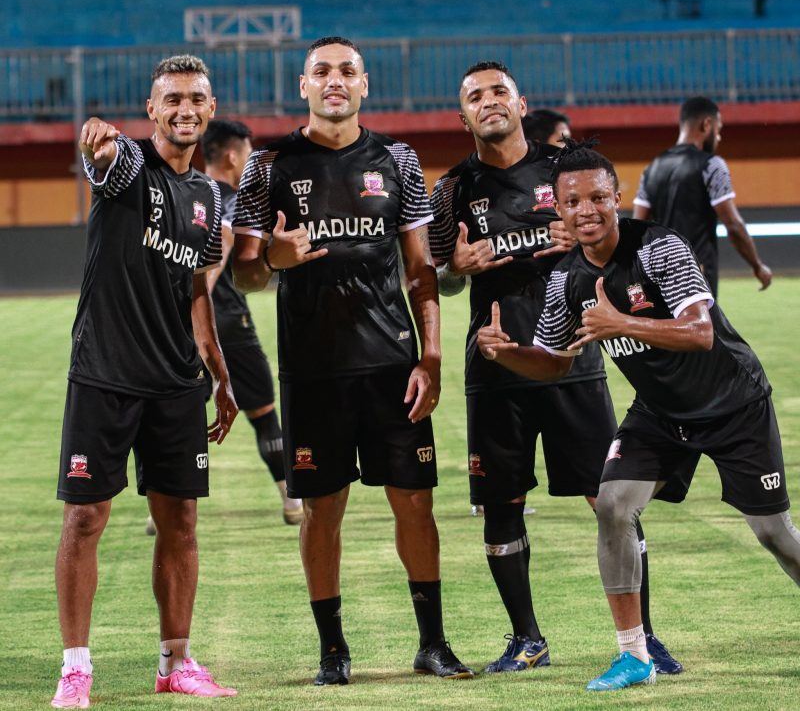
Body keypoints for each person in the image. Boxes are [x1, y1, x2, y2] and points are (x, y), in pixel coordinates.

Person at [477, 139, 800, 692]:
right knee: (612, 506)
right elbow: (554, 363)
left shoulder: (658, 248)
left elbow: (700, 333)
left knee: (773, 533)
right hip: (661, 414)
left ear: (617, 197)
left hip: (734, 406)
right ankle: (635, 655)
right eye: (573, 201)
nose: (586, 211)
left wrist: (620, 324)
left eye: (598, 198)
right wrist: (506, 352)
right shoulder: (567, 280)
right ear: (558, 206)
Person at [429, 61, 684, 676]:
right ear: (461, 116)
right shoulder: (451, 190)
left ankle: (642, 639)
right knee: (501, 504)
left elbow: (616, 239)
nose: (489, 102)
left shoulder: (565, 168)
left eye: (498, 92)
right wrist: (457, 267)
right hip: (493, 365)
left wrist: (589, 242)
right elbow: (437, 278)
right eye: (475, 97)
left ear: (521, 103)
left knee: (612, 502)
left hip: (572, 361)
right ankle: (527, 641)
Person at [231, 36, 472, 686]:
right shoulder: (269, 163)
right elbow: (246, 273)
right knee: (322, 509)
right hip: (312, 370)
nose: (334, 81)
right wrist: (271, 262)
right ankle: (332, 651)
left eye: (346, 72)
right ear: (302, 85)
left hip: (392, 365)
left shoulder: (398, 159)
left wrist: (434, 356)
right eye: (321, 72)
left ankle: (433, 643)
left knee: (415, 503)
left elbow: (421, 269)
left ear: (364, 85)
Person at [52, 55, 238, 708]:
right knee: (84, 519)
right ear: (153, 109)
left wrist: (218, 369)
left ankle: (176, 662)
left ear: (210, 110)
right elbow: (104, 156)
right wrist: (98, 138)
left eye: (196, 99)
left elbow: (195, 291)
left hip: (175, 383)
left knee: (181, 523)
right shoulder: (128, 164)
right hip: (104, 373)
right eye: (173, 100)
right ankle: (76, 667)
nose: (185, 109)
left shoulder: (212, 197)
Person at [200, 119, 302, 525]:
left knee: (180, 415)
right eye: (246, 153)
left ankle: (163, 507)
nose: (248, 161)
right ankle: (291, 502)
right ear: (230, 155)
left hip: (182, 322)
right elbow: (225, 245)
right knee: (263, 413)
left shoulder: (186, 193)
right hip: (226, 320)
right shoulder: (230, 200)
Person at [633, 96, 772, 298]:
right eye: (719, 130)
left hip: (659, 272)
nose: (719, 137)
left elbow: (638, 227)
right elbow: (734, 225)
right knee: (703, 328)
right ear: (707, 124)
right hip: (697, 271)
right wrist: (757, 265)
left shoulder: (650, 169)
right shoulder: (712, 165)